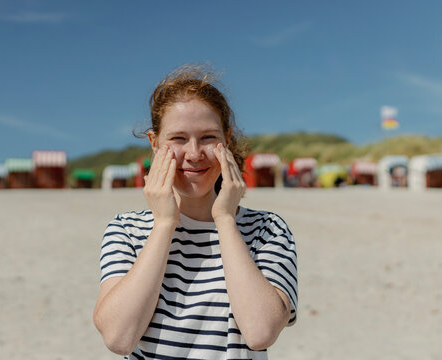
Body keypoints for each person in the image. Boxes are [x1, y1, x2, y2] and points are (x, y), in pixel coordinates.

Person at [93, 64, 298, 359]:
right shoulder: (126, 230)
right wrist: (165, 223)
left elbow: (260, 332)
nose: (193, 154)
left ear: (226, 140)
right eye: (178, 138)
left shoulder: (267, 229)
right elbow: (118, 337)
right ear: (154, 143)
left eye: (207, 137)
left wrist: (225, 219)